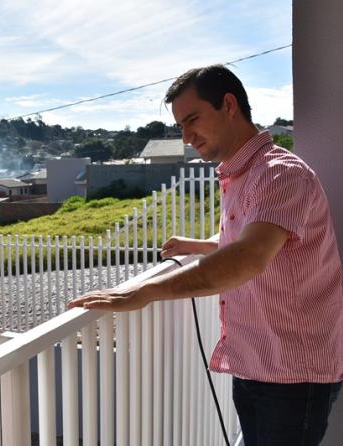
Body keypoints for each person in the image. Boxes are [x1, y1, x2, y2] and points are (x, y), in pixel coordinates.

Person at [68, 65, 343, 446]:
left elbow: (249, 256)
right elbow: (259, 241)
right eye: (180, 126)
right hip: (256, 362)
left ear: (228, 105)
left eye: (192, 119)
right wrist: (198, 245)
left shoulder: (279, 174)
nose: (186, 136)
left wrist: (143, 292)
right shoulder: (242, 175)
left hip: (292, 372)